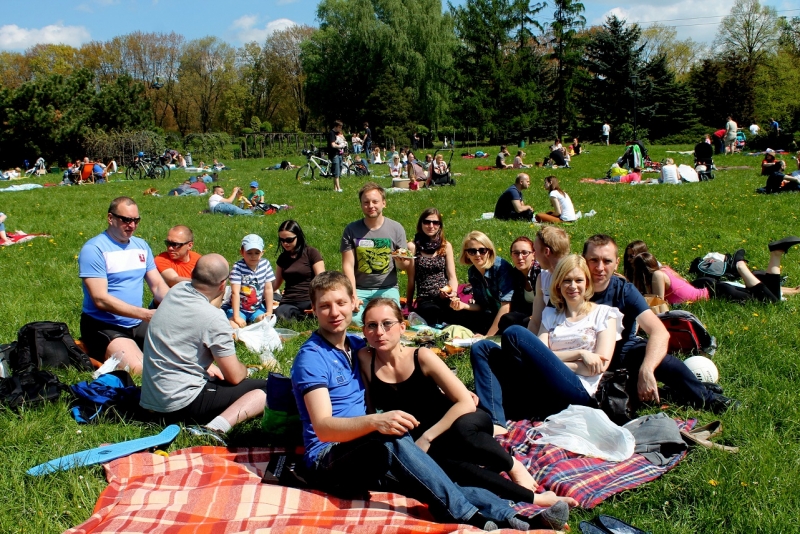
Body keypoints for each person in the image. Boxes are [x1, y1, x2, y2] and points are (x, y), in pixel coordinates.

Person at [290, 272, 565, 531]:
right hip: (328, 461)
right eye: (324, 306)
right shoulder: (312, 358)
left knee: (434, 477)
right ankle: (466, 516)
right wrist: (376, 421)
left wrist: (450, 393)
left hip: (365, 453)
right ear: (313, 310)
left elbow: (393, 351)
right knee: (391, 437)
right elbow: (324, 428)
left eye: (340, 303)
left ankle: (518, 519)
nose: (334, 312)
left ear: (354, 303)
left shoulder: (356, 345)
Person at [358, 298, 577, 516]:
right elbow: (369, 409)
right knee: (452, 469)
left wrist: (427, 437)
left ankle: (513, 465)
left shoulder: (421, 356)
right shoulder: (365, 360)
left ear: (402, 327)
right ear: (364, 330)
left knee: (462, 431)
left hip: (462, 419)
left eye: (387, 324)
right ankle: (536, 499)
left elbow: (464, 401)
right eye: (371, 325)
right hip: (426, 436)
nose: (380, 332)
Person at [582, 234, 738, 413]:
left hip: (622, 354)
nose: (600, 267)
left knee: (665, 362)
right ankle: (676, 392)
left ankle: (708, 399)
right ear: (583, 260)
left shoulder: (624, 290)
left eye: (607, 261)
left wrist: (647, 370)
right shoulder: (571, 285)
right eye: (593, 260)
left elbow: (659, 332)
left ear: (617, 263)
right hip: (583, 356)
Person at [470, 255, 622, 425]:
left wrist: (548, 364)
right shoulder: (550, 315)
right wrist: (581, 354)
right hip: (542, 386)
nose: (573, 286)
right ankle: (496, 422)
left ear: (587, 282)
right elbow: (538, 356)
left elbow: (597, 367)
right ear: (558, 284)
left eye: (578, 280)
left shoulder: (604, 314)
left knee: (514, 333)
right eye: (566, 280)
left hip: (578, 389)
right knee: (482, 347)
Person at [140, 254, 267, 433]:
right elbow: (234, 376)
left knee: (216, 376)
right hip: (180, 405)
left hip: (150, 400)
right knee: (270, 388)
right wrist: (245, 369)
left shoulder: (176, 291)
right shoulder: (214, 319)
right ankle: (215, 428)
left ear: (193, 274)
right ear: (223, 285)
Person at [78, 197, 169, 373]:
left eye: (136, 220)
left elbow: (157, 284)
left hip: (137, 321)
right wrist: (146, 314)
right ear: (110, 218)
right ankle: (94, 350)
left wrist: (176, 303)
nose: (132, 225)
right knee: (140, 369)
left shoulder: (141, 246)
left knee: (183, 349)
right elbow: (100, 299)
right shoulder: (94, 249)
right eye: (126, 220)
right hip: (103, 324)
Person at [626, 240, 800, 304]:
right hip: (709, 287)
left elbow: (660, 305)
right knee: (766, 294)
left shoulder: (657, 275)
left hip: (716, 292)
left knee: (771, 301)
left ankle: (740, 265)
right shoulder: (661, 269)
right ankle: (777, 256)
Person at [341, 182, 411, 326]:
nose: (371, 206)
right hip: (360, 288)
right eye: (366, 202)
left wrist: (401, 260)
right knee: (353, 320)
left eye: (375, 201)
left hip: (387, 288)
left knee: (389, 322)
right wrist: (353, 294)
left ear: (384, 203)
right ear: (361, 205)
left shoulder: (396, 228)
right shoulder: (351, 229)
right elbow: (348, 264)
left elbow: (404, 266)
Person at [449, 231, 514, 336]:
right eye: (472, 251)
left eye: (482, 250)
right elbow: (482, 306)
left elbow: (506, 307)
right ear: (466, 253)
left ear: (489, 251)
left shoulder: (501, 268)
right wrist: (463, 305)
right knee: (456, 313)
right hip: (491, 314)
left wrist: (487, 337)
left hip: (509, 315)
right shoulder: (473, 272)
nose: (477, 255)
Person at [405, 208, 459, 326]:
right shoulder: (413, 247)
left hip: (445, 295)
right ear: (421, 223)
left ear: (440, 226)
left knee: (458, 313)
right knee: (433, 314)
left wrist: (454, 292)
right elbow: (411, 279)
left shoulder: (445, 246)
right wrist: (408, 304)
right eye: (427, 222)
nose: (431, 226)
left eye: (435, 223)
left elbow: (452, 276)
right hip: (426, 297)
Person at [273, 220, 325, 322]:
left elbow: (322, 280)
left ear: (298, 236)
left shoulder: (311, 253)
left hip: (309, 298)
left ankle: (308, 316)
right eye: (282, 240)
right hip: (289, 301)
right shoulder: (283, 258)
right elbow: (276, 284)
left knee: (322, 312)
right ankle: (302, 317)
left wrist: (318, 302)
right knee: (281, 314)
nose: (285, 243)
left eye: (289, 240)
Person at [223, 234, 275, 328]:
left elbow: (268, 289)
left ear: (262, 253)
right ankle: (242, 325)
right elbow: (235, 292)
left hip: (257, 308)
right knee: (234, 326)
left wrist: (269, 311)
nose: (253, 256)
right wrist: (236, 316)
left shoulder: (265, 264)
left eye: (257, 253)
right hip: (238, 308)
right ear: (242, 252)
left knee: (267, 323)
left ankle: (251, 323)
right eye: (249, 253)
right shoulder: (238, 267)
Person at [527, 226, 571, 334]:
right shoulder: (543, 278)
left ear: (546, 251)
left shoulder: (575, 278)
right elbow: (535, 321)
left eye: (535, 250)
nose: (534, 255)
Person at [500, 237, 540, 333]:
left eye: (525, 253)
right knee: (507, 319)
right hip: (528, 316)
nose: (520, 257)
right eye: (516, 253)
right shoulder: (515, 274)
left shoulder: (540, 273)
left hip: (545, 316)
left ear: (533, 255)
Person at [327, 120, 346, 193]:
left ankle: (335, 188)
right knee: (336, 171)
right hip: (334, 154)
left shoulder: (338, 133)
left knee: (339, 169)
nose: (340, 128)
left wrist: (343, 140)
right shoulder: (331, 133)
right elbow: (333, 144)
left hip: (339, 153)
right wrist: (340, 146)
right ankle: (338, 188)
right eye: (339, 127)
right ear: (336, 126)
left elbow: (343, 139)